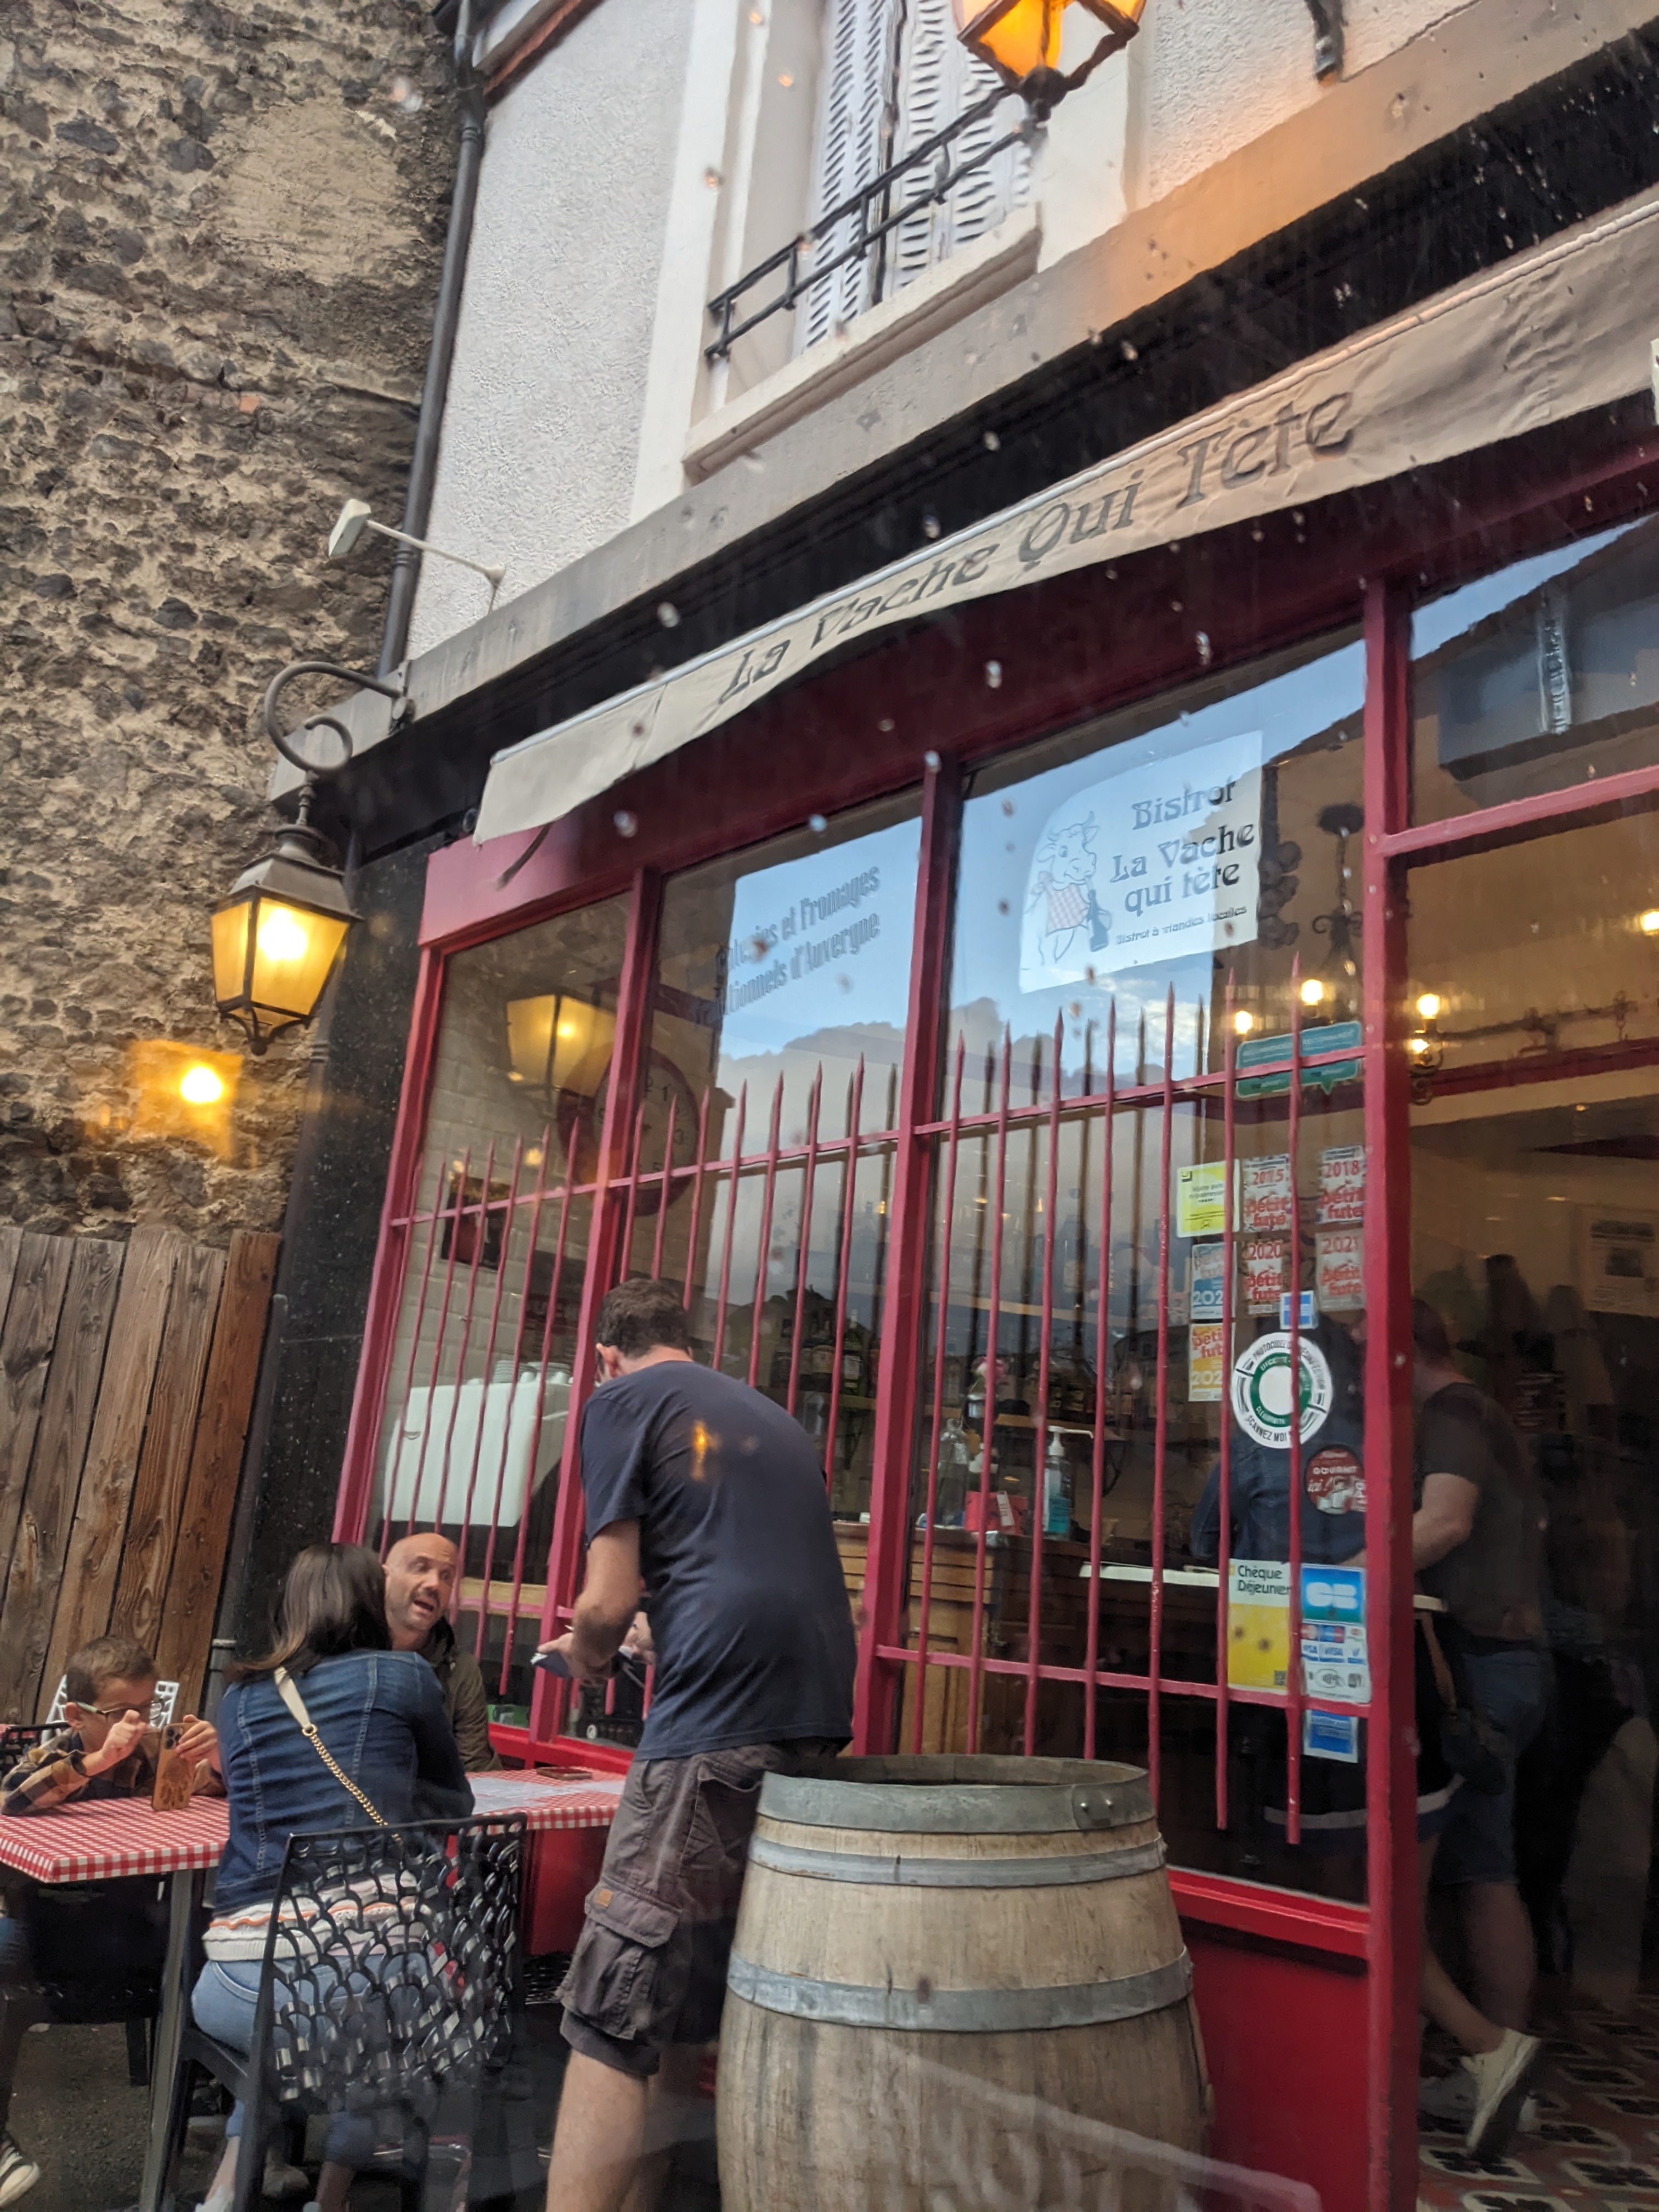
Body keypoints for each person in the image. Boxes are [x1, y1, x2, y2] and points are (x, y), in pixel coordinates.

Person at [541, 1277, 856, 2212]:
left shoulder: (620, 1399)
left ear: (606, 1355)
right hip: (808, 1721)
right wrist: (662, 1635)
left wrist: (589, 1652)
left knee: (610, 2003)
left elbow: (605, 1600)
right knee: (679, 2011)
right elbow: (737, 1570)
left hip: (712, 1725)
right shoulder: (771, 1417)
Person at [192, 1543, 472, 2212]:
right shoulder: (407, 1676)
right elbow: (453, 1804)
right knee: (366, 2007)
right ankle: (332, 2198)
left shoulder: (238, 1698)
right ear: (370, 1603)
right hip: (379, 1985)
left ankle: (225, 2194)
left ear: (288, 1606)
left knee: (290, 2017)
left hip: (239, 1985)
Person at [0, 1635, 218, 2207]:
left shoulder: (152, 1761)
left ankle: (213, 2107)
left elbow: (206, 1797)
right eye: (122, 1712)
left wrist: (214, 1762)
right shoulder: (57, 1754)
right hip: (46, 1923)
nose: (137, 1724)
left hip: (128, 1924)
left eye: (147, 1709)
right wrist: (96, 1763)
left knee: (210, 1939)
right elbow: (13, 1798)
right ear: (77, 1716)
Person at [1410, 1296, 1545, 2148]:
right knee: (1483, 1870)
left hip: (1479, 1672)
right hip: (1507, 1666)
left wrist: (1342, 1577)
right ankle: (1501, 2076)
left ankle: (1495, 2057)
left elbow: (1444, 1522)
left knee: (1409, 1877)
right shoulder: (1480, 1413)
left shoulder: (1455, 1413)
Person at [383, 1530, 501, 1770]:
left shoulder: (459, 1670)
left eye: (446, 1576)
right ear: (385, 1578)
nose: (435, 1584)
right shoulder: (344, 1651)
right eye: (420, 1568)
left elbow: (477, 1770)